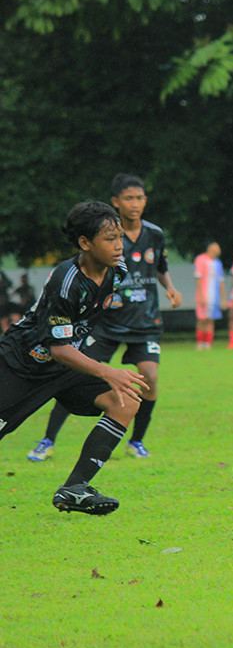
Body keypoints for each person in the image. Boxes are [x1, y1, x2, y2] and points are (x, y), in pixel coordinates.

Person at [1, 201, 147, 514]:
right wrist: (108, 371)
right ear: (85, 243)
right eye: (110, 239)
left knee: (125, 401)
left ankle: (74, 488)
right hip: (22, 364)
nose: (119, 246)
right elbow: (57, 347)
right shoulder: (65, 281)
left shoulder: (117, 271)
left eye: (120, 237)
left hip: (65, 366)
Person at [28, 173, 182, 463]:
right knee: (75, 374)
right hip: (106, 323)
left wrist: (170, 288)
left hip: (145, 322)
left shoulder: (155, 234)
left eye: (139, 198)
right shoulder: (103, 235)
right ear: (116, 202)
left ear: (146, 201)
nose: (135, 204)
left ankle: (136, 441)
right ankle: (47, 440)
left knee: (150, 377)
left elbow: (160, 267)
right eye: (129, 198)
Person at [194, 241, 226, 350]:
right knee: (202, 319)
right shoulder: (201, 259)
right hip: (204, 294)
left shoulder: (218, 263)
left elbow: (221, 281)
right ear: (210, 247)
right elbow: (198, 279)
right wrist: (201, 296)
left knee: (211, 319)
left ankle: (208, 343)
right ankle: (200, 342)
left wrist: (223, 298)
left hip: (214, 296)